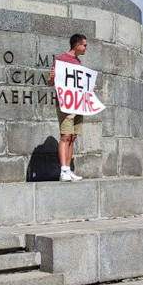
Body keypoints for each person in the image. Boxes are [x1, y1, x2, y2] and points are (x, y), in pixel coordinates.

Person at [47, 33, 89, 182]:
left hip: (78, 104)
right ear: (77, 45)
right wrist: (51, 77)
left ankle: (69, 170)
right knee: (65, 136)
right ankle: (63, 170)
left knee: (73, 136)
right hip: (65, 104)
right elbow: (50, 83)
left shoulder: (78, 63)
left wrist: (90, 88)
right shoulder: (60, 59)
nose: (85, 48)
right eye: (84, 45)